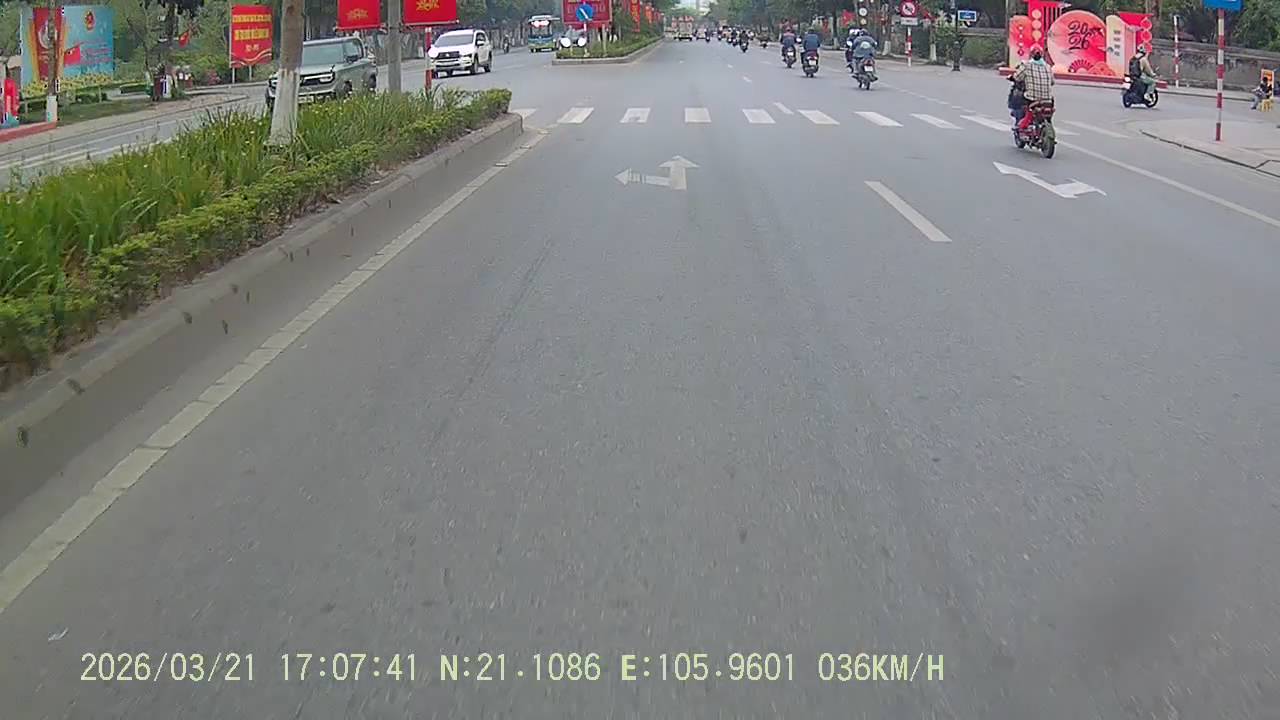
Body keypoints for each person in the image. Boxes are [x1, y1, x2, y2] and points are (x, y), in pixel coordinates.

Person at [1010, 45, 1054, 131]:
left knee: (1019, 100)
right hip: (1047, 99)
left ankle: (1020, 122)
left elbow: (1017, 77)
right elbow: (1052, 82)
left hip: (1032, 98)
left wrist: (1012, 77)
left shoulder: (1026, 65)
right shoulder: (1048, 67)